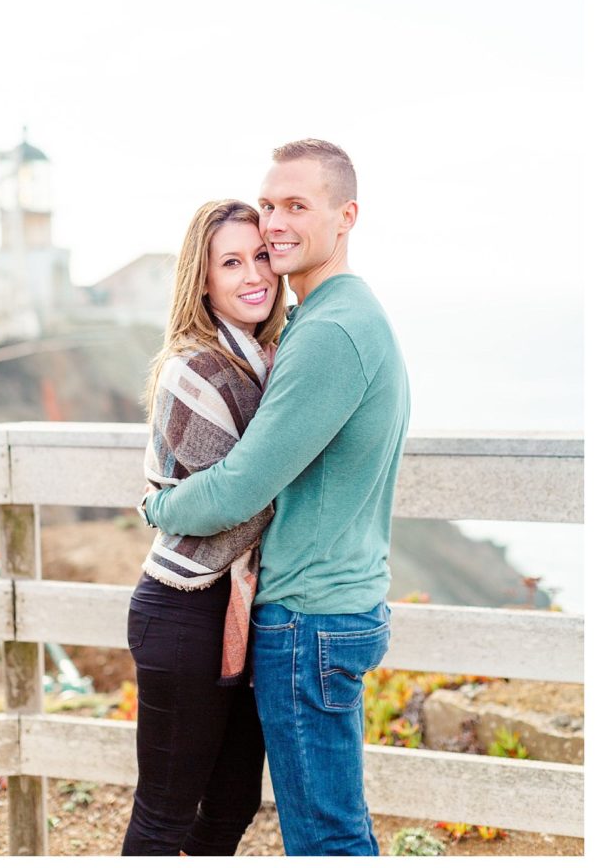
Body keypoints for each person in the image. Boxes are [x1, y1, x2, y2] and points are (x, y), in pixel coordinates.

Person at [142, 139, 411, 856]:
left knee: (325, 838)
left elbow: (241, 486)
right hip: (329, 606)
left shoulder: (327, 333)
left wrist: (158, 508)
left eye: (297, 206)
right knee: (325, 826)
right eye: (270, 205)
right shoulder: (333, 316)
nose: (275, 225)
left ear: (346, 215)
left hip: (310, 617)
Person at [121, 199, 286, 856]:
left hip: (244, 612)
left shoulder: (267, 357)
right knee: (163, 814)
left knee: (233, 802)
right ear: (204, 279)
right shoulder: (193, 367)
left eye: (263, 256)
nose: (254, 274)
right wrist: (159, 507)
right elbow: (237, 504)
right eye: (232, 261)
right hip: (185, 612)